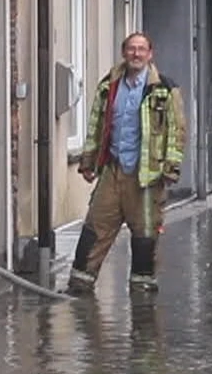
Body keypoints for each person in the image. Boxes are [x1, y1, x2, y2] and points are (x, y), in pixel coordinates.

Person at [68, 32, 186, 294]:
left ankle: (142, 294)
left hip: (147, 175)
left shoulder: (165, 89)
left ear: (150, 54)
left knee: (145, 234)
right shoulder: (108, 86)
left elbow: (177, 131)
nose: (136, 54)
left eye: (141, 49)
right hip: (113, 169)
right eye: (131, 49)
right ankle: (79, 285)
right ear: (124, 52)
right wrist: (89, 162)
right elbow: (96, 124)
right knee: (95, 227)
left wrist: (171, 167)